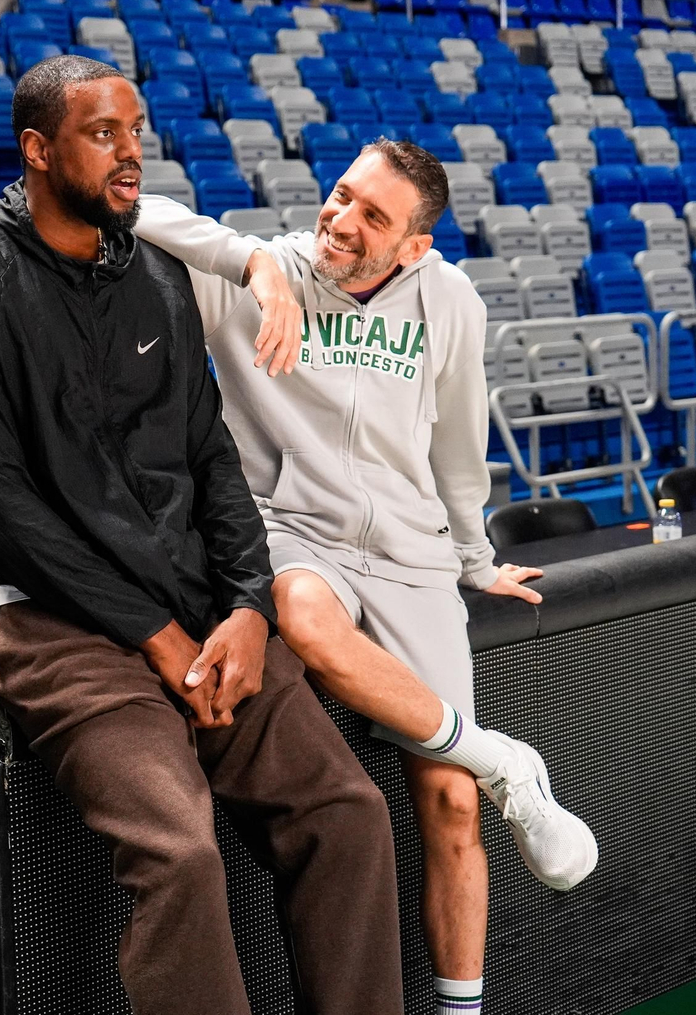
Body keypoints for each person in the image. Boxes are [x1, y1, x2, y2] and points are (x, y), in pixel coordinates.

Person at [0, 55, 403, 1015]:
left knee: (349, 814)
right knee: (179, 852)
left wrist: (250, 609)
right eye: (102, 134)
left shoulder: (158, 275)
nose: (132, 155)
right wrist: (157, 636)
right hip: (42, 619)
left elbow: (210, 457)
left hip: (194, 608)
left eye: (136, 131)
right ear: (38, 150)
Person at [133, 139, 599, 1015]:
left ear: (415, 245)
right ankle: (507, 761)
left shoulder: (451, 298)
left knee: (452, 803)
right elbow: (134, 210)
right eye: (341, 195)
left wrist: (474, 558)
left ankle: (464, 1001)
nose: (342, 221)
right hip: (292, 528)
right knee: (305, 619)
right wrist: (254, 266)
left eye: (372, 215)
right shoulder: (259, 271)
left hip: (409, 551)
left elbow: (460, 443)